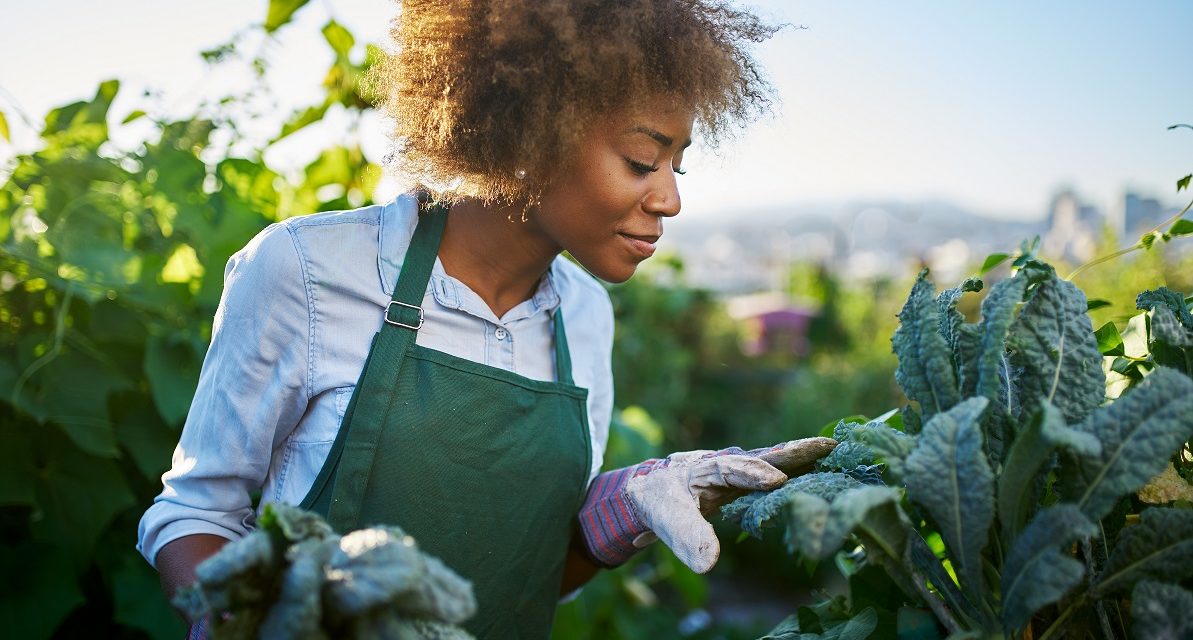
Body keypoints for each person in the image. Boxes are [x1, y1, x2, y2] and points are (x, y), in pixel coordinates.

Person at [137, 1, 836, 637]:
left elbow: (524, 581)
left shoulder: (585, 316)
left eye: (676, 167)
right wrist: (265, 621)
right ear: (532, 130)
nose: (667, 200)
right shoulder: (309, 270)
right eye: (640, 160)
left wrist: (619, 518)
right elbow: (194, 516)